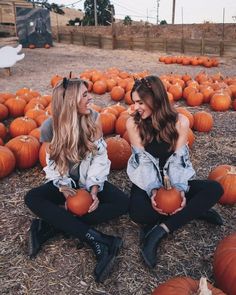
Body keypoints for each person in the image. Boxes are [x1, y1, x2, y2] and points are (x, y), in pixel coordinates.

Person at [24, 77, 129, 283]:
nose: (90, 97)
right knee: (32, 198)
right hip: (66, 182)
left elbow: (100, 157)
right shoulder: (49, 128)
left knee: (123, 202)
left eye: (88, 92)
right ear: (70, 101)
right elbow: (51, 160)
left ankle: (50, 226)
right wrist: (62, 186)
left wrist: (95, 187)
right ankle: (99, 240)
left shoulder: (94, 119)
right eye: (84, 94)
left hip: (88, 178)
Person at [126, 75, 224, 269]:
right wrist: (154, 191)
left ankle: (160, 231)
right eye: (134, 102)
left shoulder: (180, 122)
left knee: (215, 189)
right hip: (148, 182)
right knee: (138, 213)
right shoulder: (133, 124)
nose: (136, 107)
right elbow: (143, 164)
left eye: (140, 102)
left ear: (155, 99)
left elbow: (180, 161)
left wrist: (179, 190)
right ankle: (192, 212)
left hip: (174, 180)